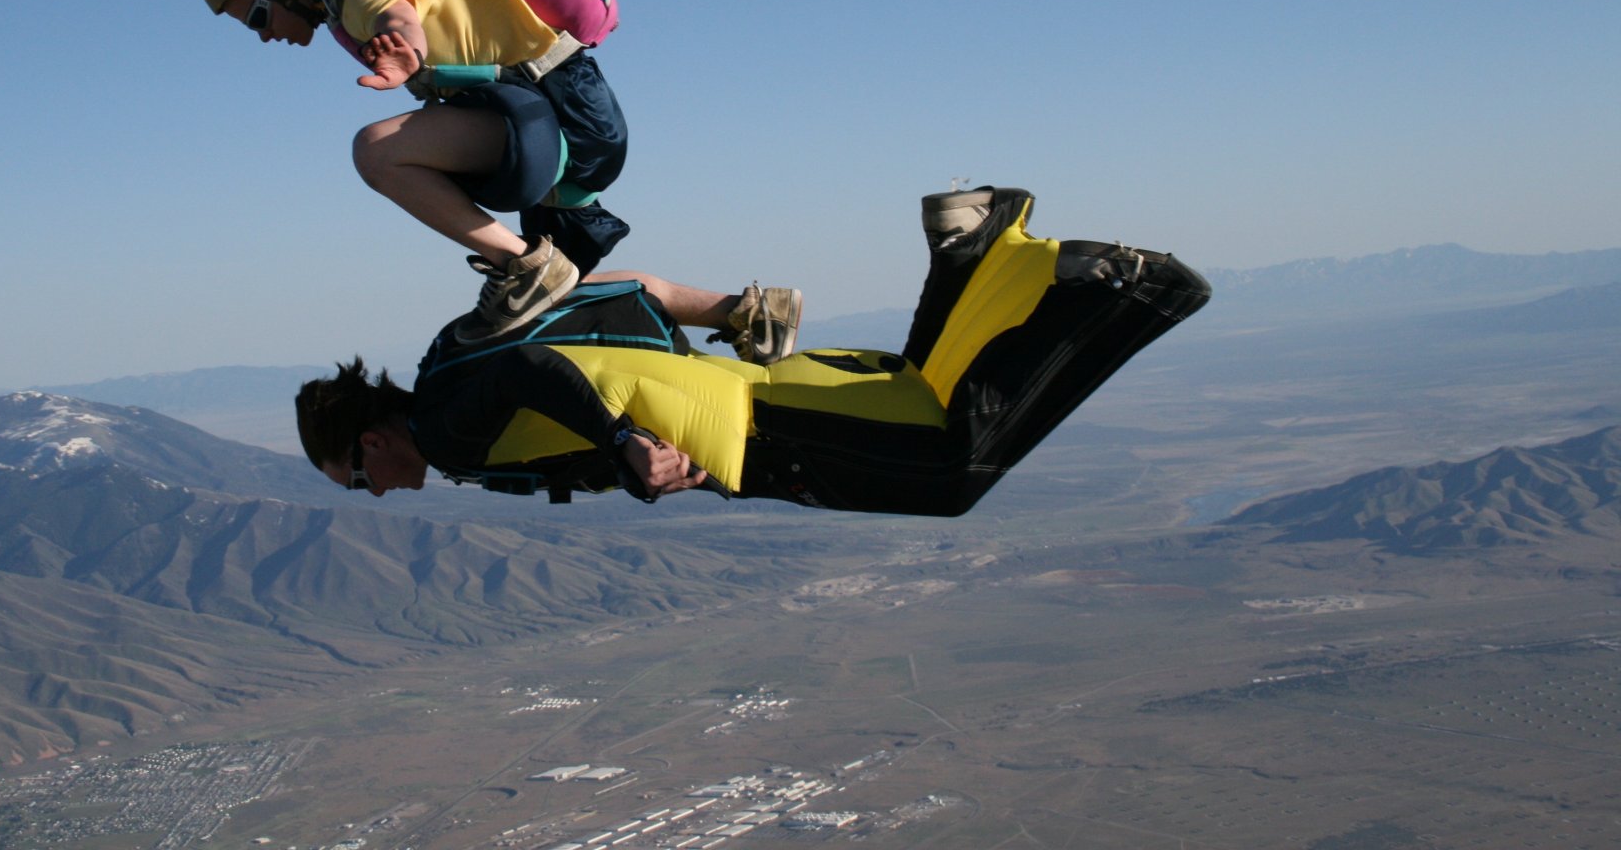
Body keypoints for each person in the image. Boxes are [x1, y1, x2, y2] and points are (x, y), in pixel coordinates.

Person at [295, 188, 1210, 515]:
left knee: (949, 469)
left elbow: (530, 371)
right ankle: (974, 243)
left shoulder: (448, 427)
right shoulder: (444, 359)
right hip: (723, 390)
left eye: (356, 479)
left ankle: (1114, 288)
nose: (374, 493)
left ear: (370, 441)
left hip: (737, 427)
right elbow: (598, 311)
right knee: (916, 394)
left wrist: (622, 445)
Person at [195, 0, 630, 335]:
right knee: (572, 297)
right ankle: (700, 308)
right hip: (574, 111)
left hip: (554, 117)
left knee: (377, 150)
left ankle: (527, 268)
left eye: (256, 17)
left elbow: (398, 15)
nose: (265, 36)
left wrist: (407, 54)